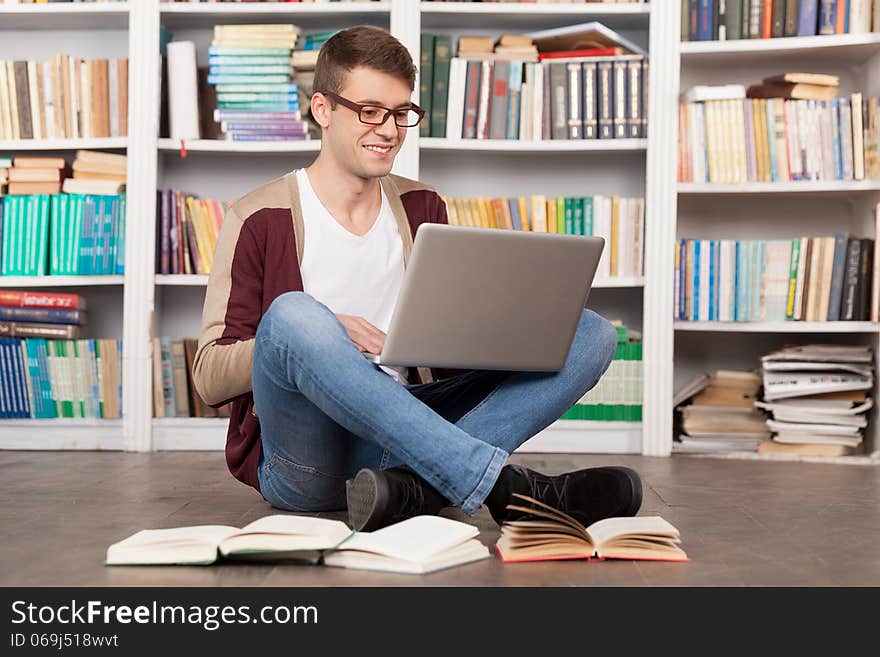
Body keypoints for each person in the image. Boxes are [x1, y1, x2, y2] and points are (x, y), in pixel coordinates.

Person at [192, 26, 642, 533]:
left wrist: (490, 331)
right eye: (369, 111)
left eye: (401, 113)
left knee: (590, 332)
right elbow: (208, 375)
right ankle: (501, 487)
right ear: (322, 109)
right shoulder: (258, 217)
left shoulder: (421, 207)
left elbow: (445, 349)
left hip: (409, 433)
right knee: (295, 316)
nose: (388, 129)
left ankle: (415, 488)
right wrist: (322, 332)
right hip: (310, 457)